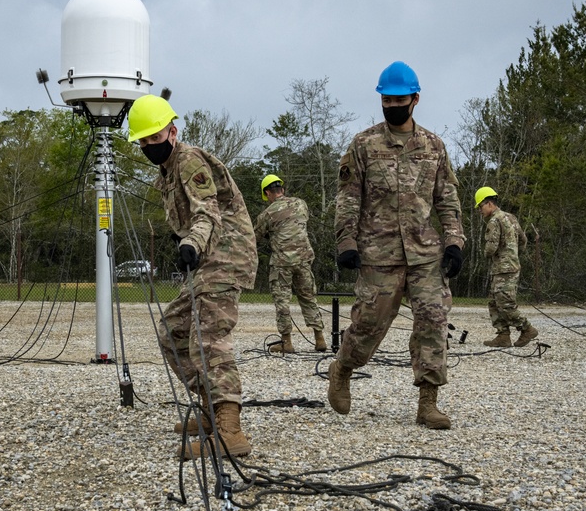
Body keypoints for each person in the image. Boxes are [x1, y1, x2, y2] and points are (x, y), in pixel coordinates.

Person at [329, 61, 465, 430]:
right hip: (379, 254)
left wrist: (454, 241)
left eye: (399, 99)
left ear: (415, 99)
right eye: (386, 100)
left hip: (425, 254)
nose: (392, 106)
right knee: (369, 325)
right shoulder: (363, 145)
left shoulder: (434, 146)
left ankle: (428, 401)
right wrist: (346, 240)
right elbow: (348, 198)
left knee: (433, 322)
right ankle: (342, 368)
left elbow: (447, 199)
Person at [127, 91, 258, 459]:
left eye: (156, 137)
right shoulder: (165, 172)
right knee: (173, 331)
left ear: (172, 131)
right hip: (207, 258)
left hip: (224, 255)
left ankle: (230, 432)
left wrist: (192, 243)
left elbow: (207, 212)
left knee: (209, 336)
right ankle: (209, 410)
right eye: (144, 141)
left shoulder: (188, 160)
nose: (151, 145)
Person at [253, 174, 327, 353]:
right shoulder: (301, 204)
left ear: (268, 192)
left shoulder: (267, 214)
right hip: (304, 260)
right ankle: (320, 339)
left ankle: (287, 343)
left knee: (282, 302)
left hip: (282, 263)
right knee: (309, 298)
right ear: (282, 190)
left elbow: (254, 238)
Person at [474, 187, 538, 348]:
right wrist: (514, 255)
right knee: (494, 302)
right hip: (509, 266)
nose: (480, 210)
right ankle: (503, 336)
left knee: (505, 304)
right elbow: (523, 240)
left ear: (489, 203)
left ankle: (527, 328)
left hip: (503, 269)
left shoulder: (494, 221)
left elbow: (491, 248)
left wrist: (488, 254)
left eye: (480, 206)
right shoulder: (511, 217)